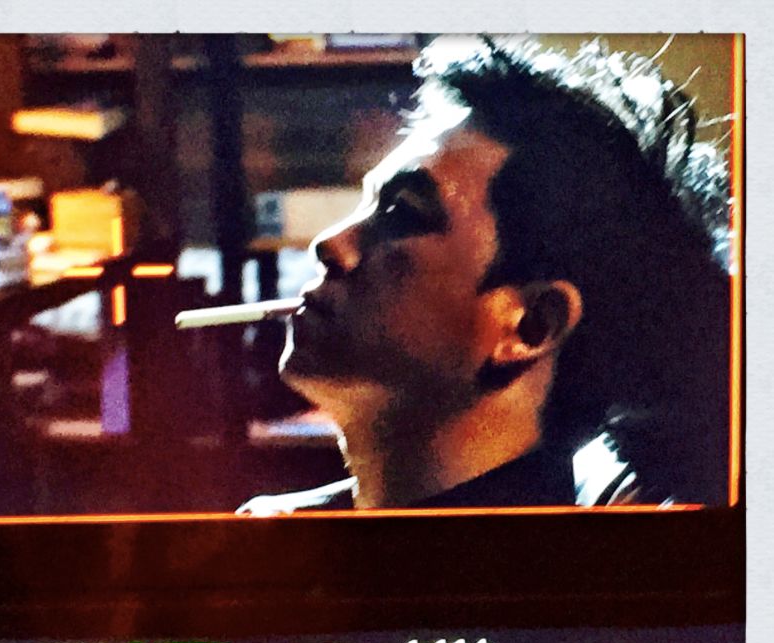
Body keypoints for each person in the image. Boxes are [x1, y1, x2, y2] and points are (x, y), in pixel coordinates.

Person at [239, 36, 732, 514]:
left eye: (402, 214)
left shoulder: (581, 564)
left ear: (531, 326)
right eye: (365, 204)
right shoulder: (271, 541)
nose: (330, 243)